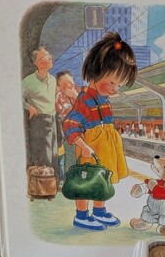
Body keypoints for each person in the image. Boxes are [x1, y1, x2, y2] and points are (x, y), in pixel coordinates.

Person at [63, 32, 138, 231]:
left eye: (119, 85)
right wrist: (83, 146)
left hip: (105, 149)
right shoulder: (84, 99)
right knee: (86, 180)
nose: (115, 89)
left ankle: (99, 210)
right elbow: (70, 124)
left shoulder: (103, 99)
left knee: (101, 179)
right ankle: (81, 215)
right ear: (96, 71)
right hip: (91, 148)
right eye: (112, 82)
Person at [22, 46, 59, 182]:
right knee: (42, 154)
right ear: (36, 63)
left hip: (52, 119)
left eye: (49, 55)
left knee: (53, 152)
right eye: (45, 56)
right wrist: (29, 107)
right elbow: (16, 97)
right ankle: (42, 184)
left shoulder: (53, 80)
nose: (50, 58)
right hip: (39, 120)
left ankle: (53, 183)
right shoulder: (28, 81)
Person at [55, 71, 79, 185]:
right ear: (59, 86)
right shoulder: (58, 97)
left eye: (70, 83)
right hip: (65, 133)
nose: (69, 86)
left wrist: (75, 96)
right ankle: (66, 178)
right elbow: (60, 114)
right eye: (64, 85)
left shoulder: (79, 94)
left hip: (80, 132)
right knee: (66, 156)